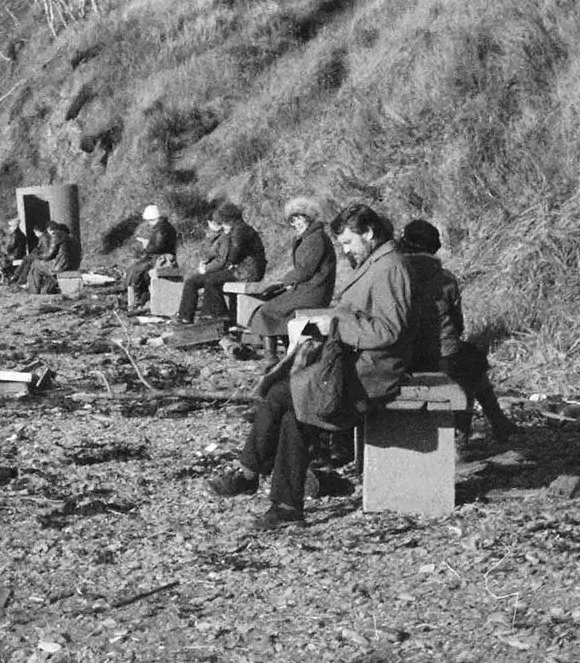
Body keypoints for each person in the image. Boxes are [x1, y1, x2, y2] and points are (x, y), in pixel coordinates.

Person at [210, 205, 414, 529]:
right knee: (295, 411)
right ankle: (286, 505)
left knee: (279, 394)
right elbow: (359, 315)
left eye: (349, 242)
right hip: (357, 363)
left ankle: (250, 472)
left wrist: (335, 324)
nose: (345, 250)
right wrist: (327, 321)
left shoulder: (390, 268)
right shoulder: (377, 263)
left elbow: (388, 331)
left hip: (374, 372)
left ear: (370, 234)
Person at [399, 219, 515, 442]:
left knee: (469, 362)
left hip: (408, 356)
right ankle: (470, 428)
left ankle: (491, 425)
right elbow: (457, 325)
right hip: (442, 355)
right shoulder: (447, 279)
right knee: (472, 364)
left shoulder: (397, 275)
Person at [245, 198, 338, 343]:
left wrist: (283, 282)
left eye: (300, 218)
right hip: (312, 289)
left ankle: (272, 357)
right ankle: (285, 348)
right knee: (272, 306)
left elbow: (304, 271)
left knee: (266, 311)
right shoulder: (311, 237)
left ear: (309, 217)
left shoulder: (315, 239)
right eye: (293, 220)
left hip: (313, 292)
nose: (296, 223)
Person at [175, 203, 266, 324]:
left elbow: (232, 256)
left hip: (247, 272)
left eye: (223, 222)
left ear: (229, 220)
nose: (222, 225)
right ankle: (189, 316)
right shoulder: (240, 229)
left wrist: (213, 266)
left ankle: (219, 316)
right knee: (195, 281)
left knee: (211, 281)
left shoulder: (239, 231)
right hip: (244, 269)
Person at [124, 205, 180, 312]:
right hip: (159, 256)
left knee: (136, 270)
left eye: (150, 221)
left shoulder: (162, 229)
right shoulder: (164, 227)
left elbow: (157, 248)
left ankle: (140, 299)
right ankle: (141, 298)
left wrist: (146, 245)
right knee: (136, 270)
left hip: (160, 257)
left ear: (154, 219)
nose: (149, 224)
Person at [25, 220, 81, 294]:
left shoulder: (56, 235)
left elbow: (49, 255)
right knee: (43, 266)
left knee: (35, 264)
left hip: (61, 266)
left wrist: (38, 256)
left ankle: (33, 291)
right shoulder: (73, 238)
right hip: (74, 266)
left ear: (50, 230)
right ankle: (46, 289)